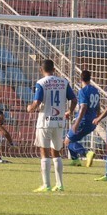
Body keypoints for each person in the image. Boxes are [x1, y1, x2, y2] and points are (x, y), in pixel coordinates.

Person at [27, 59, 77, 192]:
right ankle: (60, 185)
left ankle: (46, 185)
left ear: (41, 70)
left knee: (44, 152)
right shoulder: (63, 82)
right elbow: (74, 99)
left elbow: (37, 101)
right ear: (54, 69)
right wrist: (70, 112)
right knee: (57, 152)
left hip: (45, 121)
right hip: (59, 121)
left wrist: (30, 108)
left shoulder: (41, 83)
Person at [66, 70, 99, 167]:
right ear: (90, 78)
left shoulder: (83, 91)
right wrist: (98, 118)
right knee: (72, 140)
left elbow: (83, 107)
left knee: (67, 141)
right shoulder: (95, 90)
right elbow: (98, 106)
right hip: (92, 121)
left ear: (81, 79)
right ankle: (75, 160)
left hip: (83, 121)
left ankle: (86, 153)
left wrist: (76, 124)